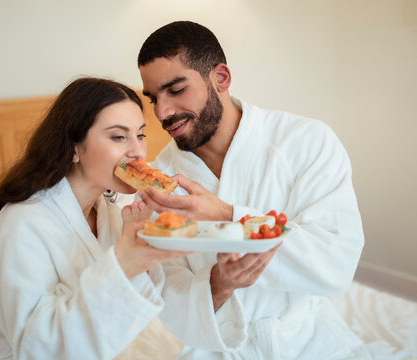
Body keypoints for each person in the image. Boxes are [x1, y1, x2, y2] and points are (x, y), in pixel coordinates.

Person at [136, 21, 371, 359]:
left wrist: (228, 218)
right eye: (153, 98)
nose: (162, 112)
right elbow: (166, 297)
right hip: (218, 348)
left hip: (309, 341)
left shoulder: (306, 142)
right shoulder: (158, 181)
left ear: (221, 78)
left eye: (175, 90)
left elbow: (336, 265)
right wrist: (220, 284)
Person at [0, 77, 189, 360]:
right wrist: (123, 263)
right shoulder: (24, 223)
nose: (138, 152)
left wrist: (137, 247)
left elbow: (127, 319)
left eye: (140, 135)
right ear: (74, 148)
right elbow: (38, 348)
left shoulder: (111, 210)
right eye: (119, 137)